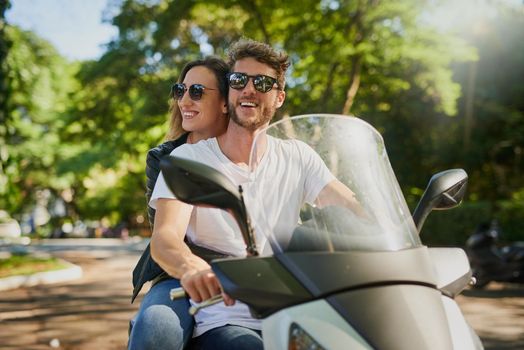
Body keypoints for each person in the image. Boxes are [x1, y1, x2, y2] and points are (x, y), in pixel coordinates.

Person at [149, 39, 363, 349]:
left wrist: (393, 240)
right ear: (228, 95)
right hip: (224, 314)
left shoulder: (299, 156)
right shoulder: (188, 160)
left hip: (296, 311)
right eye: (239, 80)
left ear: (279, 97)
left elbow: (350, 207)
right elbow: (165, 237)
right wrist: (191, 267)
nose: (249, 88)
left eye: (262, 82)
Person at [128, 56, 230, 350]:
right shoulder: (165, 159)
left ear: (226, 101)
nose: (184, 100)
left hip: (246, 272)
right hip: (178, 272)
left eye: (196, 91)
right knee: (155, 328)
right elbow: (167, 234)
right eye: (180, 90)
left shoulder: (250, 154)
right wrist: (191, 267)